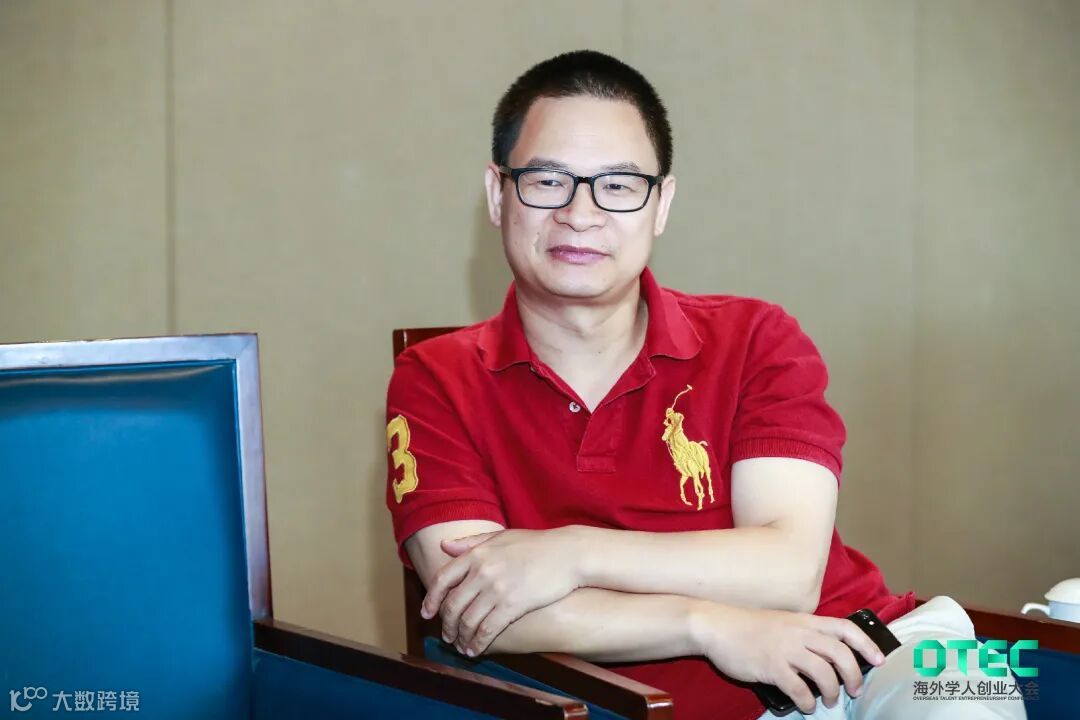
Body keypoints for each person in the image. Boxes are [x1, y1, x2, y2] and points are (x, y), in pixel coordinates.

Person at [384, 50, 1025, 720]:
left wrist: (571, 554)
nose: (580, 213)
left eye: (619, 185)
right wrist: (707, 625)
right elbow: (477, 609)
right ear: (498, 194)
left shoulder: (755, 338)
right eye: (548, 180)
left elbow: (789, 573)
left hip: (864, 653)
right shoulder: (436, 378)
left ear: (661, 204)